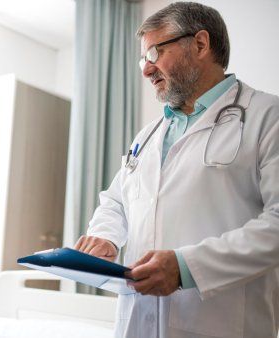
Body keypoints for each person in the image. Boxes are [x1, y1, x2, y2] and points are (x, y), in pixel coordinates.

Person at [74, 2, 279, 337]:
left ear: (200, 44)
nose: (145, 69)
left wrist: (187, 268)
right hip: (139, 321)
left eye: (154, 53)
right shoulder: (148, 135)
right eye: (143, 59)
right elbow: (116, 202)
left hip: (222, 323)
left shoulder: (268, 116)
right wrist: (105, 236)